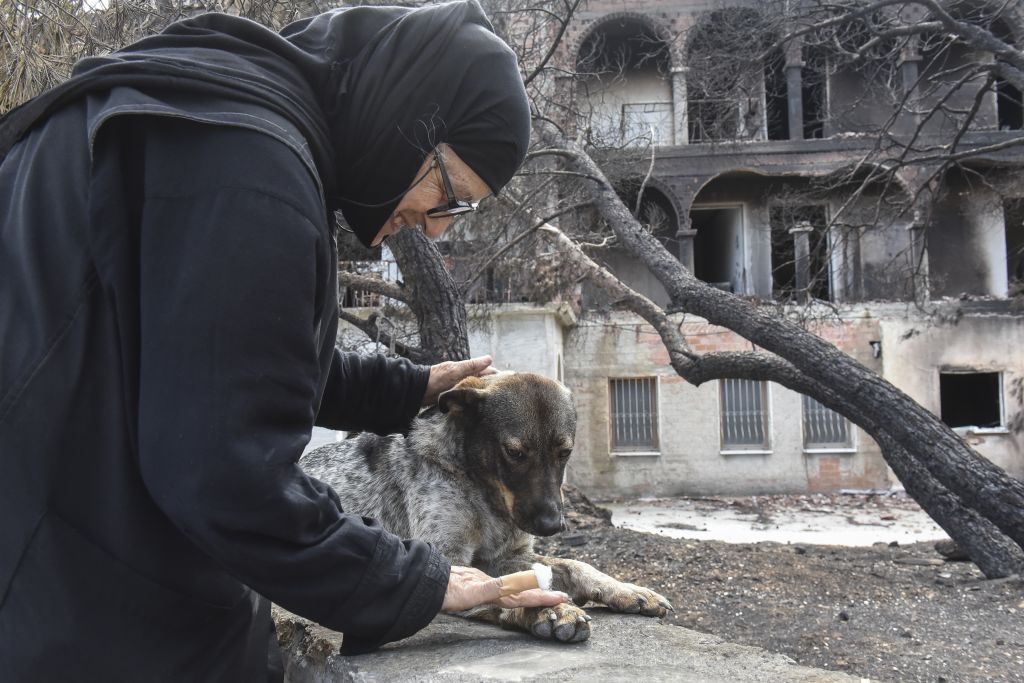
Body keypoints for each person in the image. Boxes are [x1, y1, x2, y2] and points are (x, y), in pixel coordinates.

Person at [0, 1, 566, 679]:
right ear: (411, 114)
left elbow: (219, 358)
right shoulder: (249, 172)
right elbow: (227, 477)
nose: (435, 226)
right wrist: (418, 581)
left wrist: (406, 387)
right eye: (447, 191)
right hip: (71, 596)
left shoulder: (218, 110)